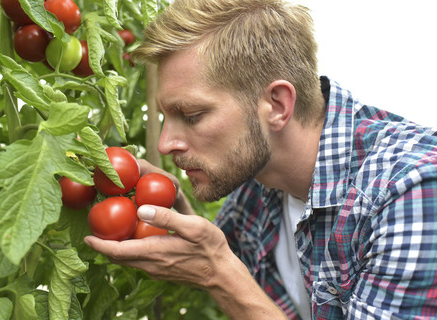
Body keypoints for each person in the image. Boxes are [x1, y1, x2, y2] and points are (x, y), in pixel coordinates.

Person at [84, 0, 437, 318]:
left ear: (278, 105)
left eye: (191, 115)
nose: (164, 144)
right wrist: (184, 227)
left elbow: (226, 271)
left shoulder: (411, 192)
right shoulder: (254, 188)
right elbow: (221, 255)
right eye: (164, 117)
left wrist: (218, 275)